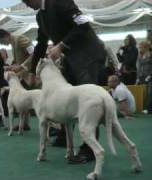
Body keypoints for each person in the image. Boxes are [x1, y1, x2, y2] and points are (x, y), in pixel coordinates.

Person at [22, 0, 106, 164]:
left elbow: (83, 25)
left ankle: (89, 149)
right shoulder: (40, 16)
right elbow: (41, 43)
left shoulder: (60, 1)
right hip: (70, 58)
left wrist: (61, 45)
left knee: (87, 100)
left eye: (26, 1)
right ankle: (63, 138)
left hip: (88, 54)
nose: (26, 5)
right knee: (64, 97)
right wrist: (32, 71)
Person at [0, 29, 36, 131]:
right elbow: (20, 59)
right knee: (24, 102)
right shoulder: (13, 43)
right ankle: (25, 124)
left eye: (1, 41)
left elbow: (34, 53)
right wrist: (12, 66)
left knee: (43, 101)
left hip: (33, 74)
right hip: (24, 75)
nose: (3, 44)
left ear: (5, 36)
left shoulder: (20, 39)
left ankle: (56, 126)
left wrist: (21, 66)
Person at [136, 41, 152, 114]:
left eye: (141, 47)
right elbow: (138, 68)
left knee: (149, 93)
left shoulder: (151, 55)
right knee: (143, 93)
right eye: (139, 47)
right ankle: (142, 108)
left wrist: (150, 76)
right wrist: (137, 78)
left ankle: (148, 109)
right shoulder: (140, 56)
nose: (139, 49)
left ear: (146, 48)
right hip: (141, 77)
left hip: (150, 77)